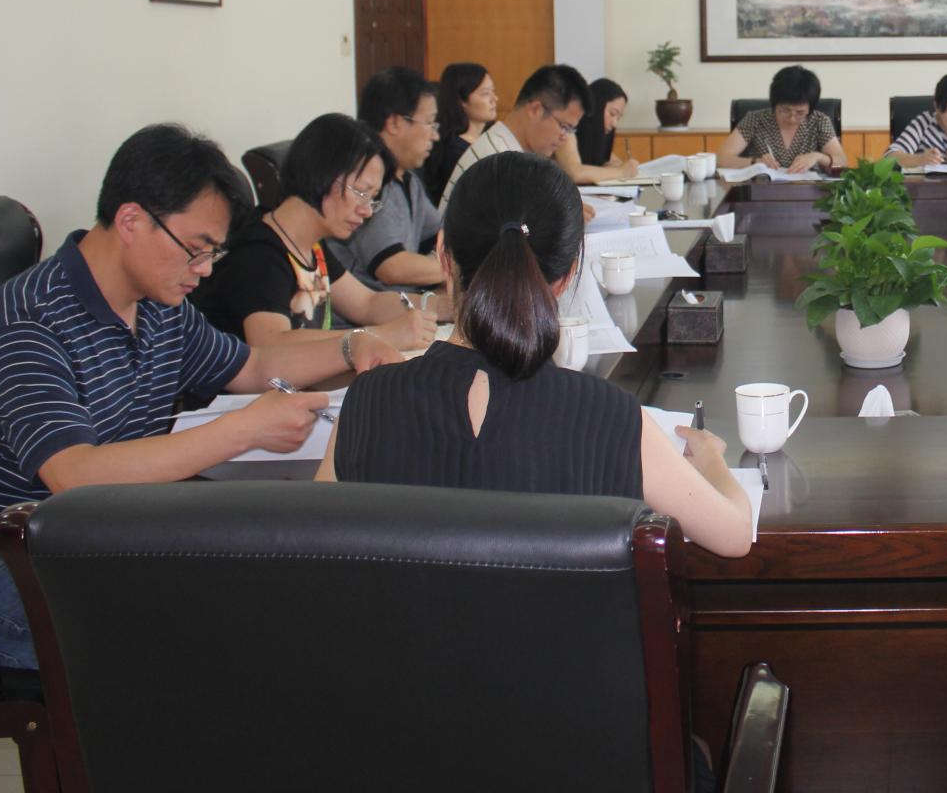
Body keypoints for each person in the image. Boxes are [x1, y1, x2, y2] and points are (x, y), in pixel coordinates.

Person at [0, 124, 403, 669]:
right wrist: (244, 430)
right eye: (196, 250)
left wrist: (351, 347)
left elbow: (252, 366)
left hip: (95, 541)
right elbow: (75, 475)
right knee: (230, 632)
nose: (205, 270)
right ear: (131, 221)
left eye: (214, 252)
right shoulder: (30, 321)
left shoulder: (157, 303)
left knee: (271, 577)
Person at [318, 151, 754, 559]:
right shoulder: (610, 417)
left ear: (444, 256)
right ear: (568, 274)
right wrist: (711, 461)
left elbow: (312, 550)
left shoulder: (367, 402)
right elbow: (734, 534)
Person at [190, 114, 437, 352]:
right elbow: (271, 343)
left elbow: (367, 304)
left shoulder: (311, 245)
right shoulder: (259, 252)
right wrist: (379, 336)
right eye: (362, 192)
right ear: (323, 174)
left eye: (373, 199)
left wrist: (441, 307)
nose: (366, 210)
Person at [328, 67, 453, 315]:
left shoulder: (408, 180)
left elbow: (445, 235)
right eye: (429, 123)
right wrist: (459, 267)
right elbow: (392, 267)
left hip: (399, 311)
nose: (435, 135)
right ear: (395, 123)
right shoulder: (370, 187)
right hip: (367, 321)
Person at [441, 64, 592, 214]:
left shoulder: (509, 150)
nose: (565, 138)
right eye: (564, 127)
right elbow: (522, 225)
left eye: (570, 130)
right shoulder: (498, 162)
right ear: (535, 110)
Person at [716, 65, 846, 173]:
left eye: (800, 112)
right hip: (763, 191)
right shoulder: (755, 120)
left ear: (810, 108)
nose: (792, 118)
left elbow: (843, 163)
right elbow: (721, 159)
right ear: (774, 103)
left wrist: (818, 157)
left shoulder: (819, 121)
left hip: (809, 191)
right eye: (785, 110)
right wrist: (755, 162)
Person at [421, 63, 498, 203]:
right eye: (485, 93)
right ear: (462, 100)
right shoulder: (455, 151)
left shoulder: (491, 138)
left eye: (493, 91)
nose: (494, 99)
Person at [557, 76, 642, 186]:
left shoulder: (597, 139)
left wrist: (622, 167)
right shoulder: (567, 129)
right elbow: (575, 173)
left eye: (618, 118)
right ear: (596, 107)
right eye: (612, 114)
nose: (614, 123)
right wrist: (621, 172)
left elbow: (613, 162)